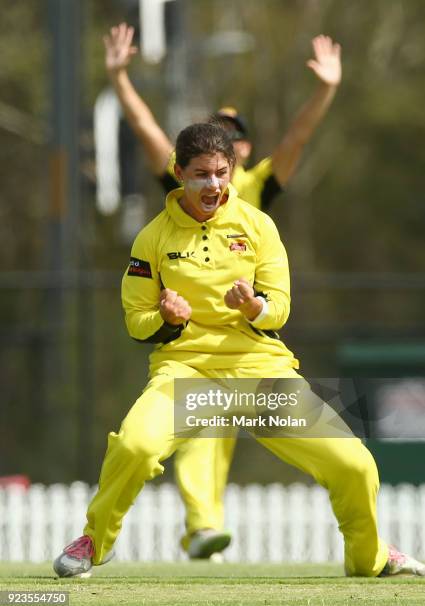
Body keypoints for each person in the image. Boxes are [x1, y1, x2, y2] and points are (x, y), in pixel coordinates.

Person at [54, 123, 425, 578]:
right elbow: (136, 319)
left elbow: (281, 307)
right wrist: (167, 319)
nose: (212, 185)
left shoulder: (258, 225)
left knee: (355, 465)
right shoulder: (151, 238)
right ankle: (96, 539)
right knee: (134, 447)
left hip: (260, 374)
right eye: (200, 174)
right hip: (186, 375)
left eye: (221, 173)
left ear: (232, 171)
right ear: (178, 172)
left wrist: (254, 306)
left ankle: (370, 558)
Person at [101, 23, 343, 559]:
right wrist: (119, 78)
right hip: (192, 352)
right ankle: (203, 525)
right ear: (188, 166)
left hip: (248, 338)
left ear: (242, 154)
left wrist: (326, 89)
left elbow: (298, 138)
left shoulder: (256, 186)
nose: (216, 171)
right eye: (214, 140)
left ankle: (204, 525)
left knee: (292, 434)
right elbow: (144, 128)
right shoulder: (182, 190)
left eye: (232, 142)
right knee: (200, 429)